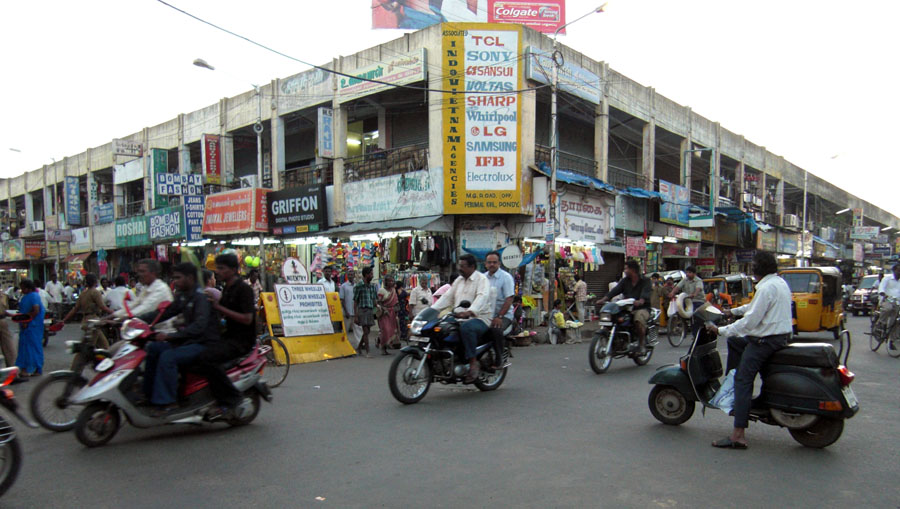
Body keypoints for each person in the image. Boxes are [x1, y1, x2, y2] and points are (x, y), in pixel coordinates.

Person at [706, 251, 793, 450]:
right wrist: (731, 312)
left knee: (743, 380)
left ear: (757, 269)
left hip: (765, 341)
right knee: (736, 343)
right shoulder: (778, 283)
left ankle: (738, 435)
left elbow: (750, 322)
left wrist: (720, 330)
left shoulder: (766, 288)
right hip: (779, 338)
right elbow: (754, 308)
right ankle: (731, 384)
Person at [140, 262, 221, 415]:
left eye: (178, 278)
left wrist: (171, 336)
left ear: (189, 278)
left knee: (168, 357)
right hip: (188, 340)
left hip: (203, 343)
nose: (174, 281)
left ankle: (168, 402)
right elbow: (165, 312)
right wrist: (138, 320)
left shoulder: (201, 297)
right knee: (154, 348)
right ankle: (149, 395)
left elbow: (199, 327)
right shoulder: (184, 296)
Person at [195, 254, 257, 420]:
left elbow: (247, 318)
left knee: (207, 358)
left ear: (233, 270)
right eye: (217, 268)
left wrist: (219, 308)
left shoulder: (244, 289)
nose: (218, 272)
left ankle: (231, 398)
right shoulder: (227, 288)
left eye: (222, 268)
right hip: (227, 336)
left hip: (241, 341)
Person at [430, 254, 492, 383]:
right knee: (439, 327)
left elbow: (482, 297)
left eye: (463, 266)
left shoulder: (482, 280)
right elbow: (447, 297)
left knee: (467, 328)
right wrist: (432, 310)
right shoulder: (458, 280)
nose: (460, 268)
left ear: (472, 267)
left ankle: (473, 362)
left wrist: (470, 311)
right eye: (459, 265)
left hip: (479, 318)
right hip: (458, 317)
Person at [596, 260, 652, 354]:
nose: (625, 270)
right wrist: (603, 299)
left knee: (638, 319)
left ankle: (641, 344)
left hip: (642, 308)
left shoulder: (645, 281)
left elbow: (645, 293)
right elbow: (615, 291)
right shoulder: (625, 281)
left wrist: (640, 301)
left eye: (626, 268)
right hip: (627, 308)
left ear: (633, 269)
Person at [63, 274, 113, 363]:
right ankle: (77, 369)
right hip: (94, 321)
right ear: (95, 282)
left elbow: (74, 309)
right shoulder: (95, 292)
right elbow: (102, 307)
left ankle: (108, 363)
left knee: (105, 346)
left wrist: (64, 320)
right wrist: (114, 313)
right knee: (87, 349)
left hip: (86, 320)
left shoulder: (83, 294)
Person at [484, 250, 515, 367]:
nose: (492, 264)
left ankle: (499, 357)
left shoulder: (506, 277)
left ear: (499, 263)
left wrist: (500, 316)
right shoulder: (482, 278)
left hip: (503, 315)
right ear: (485, 264)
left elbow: (509, 299)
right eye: (489, 262)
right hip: (486, 315)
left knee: (496, 330)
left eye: (494, 262)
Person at [14, 279, 45, 379]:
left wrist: (27, 321)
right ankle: (31, 369)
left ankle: (27, 369)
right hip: (28, 326)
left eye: (23, 288)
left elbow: (36, 310)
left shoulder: (33, 296)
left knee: (30, 348)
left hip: (31, 326)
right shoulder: (29, 296)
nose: (21, 290)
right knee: (28, 347)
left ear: (28, 288)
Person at [669, 266, 705, 335]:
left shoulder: (698, 280)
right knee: (680, 310)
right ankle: (684, 327)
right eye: (687, 272)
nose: (688, 274)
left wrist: (694, 294)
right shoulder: (684, 280)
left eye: (690, 272)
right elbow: (677, 287)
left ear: (694, 273)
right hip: (687, 300)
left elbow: (698, 289)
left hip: (697, 300)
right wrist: (672, 293)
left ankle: (695, 334)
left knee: (694, 316)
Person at [353, 266, 378, 356]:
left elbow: (374, 300)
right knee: (365, 331)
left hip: (370, 310)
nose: (372, 276)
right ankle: (368, 351)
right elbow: (355, 301)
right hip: (362, 310)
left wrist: (378, 307)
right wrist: (356, 315)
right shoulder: (359, 286)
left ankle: (359, 347)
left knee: (367, 331)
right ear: (366, 275)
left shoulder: (372, 287)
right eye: (371, 274)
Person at [874, 263, 900, 343]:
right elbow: (881, 287)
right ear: (894, 270)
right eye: (898, 270)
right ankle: (881, 323)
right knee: (888, 309)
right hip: (887, 300)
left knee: (896, 321)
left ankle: (892, 339)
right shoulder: (887, 279)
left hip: (897, 302)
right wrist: (883, 293)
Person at [376, 276, 400, 355]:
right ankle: (383, 347)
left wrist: (396, 311)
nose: (391, 283)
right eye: (389, 281)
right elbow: (378, 302)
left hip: (392, 313)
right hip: (384, 313)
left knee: (391, 330)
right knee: (385, 330)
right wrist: (383, 309)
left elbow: (396, 302)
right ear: (386, 282)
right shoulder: (381, 290)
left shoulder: (393, 291)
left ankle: (381, 342)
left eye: (392, 281)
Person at [339, 271, 362, 348]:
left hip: (355, 312)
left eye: (352, 274)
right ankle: (345, 345)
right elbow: (342, 299)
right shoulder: (343, 286)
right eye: (349, 274)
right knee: (346, 329)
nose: (351, 276)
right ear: (347, 275)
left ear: (354, 275)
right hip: (347, 312)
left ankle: (359, 344)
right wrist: (346, 311)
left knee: (358, 329)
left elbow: (358, 300)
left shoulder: (357, 286)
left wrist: (357, 312)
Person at [0, 291, 16, 369]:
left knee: (9, 348)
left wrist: (9, 314)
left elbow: (4, 310)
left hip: (2, 321)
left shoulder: (3, 295)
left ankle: (11, 372)